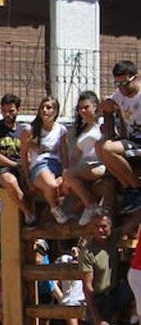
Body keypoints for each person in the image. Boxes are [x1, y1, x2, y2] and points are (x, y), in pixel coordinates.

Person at [95, 60, 141, 214]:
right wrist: (107, 112)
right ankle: (129, 188)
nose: (121, 88)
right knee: (101, 146)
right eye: (117, 84)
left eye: (125, 84)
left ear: (136, 77)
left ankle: (136, 189)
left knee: (108, 148)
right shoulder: (119, 94)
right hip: (132, 142)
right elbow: (108, 108)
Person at [0, 93, 33, 223]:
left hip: (23, 168)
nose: (7, 114)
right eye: (4, 111)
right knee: (10, 181)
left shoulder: (24, 130)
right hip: (3, 169)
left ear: (18, 110)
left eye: (11, 111)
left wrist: (26, 170)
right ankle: (28, 213)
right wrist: (15, 165)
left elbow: (28, 152)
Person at [22, 96, 70, 224]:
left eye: (48, 108)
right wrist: (27, 178)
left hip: (57, 166)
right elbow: (24, 155)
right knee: (52, 185)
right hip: (39, 166)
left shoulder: (61, 130)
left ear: (55, 111)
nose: (44, 110)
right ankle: (55, 208)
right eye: (42, 107)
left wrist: (65, 174)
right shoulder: (30, 130)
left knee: (61, 187)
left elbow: (64, 154)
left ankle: (50, 213)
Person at [63, 90, 106, 227]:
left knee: (69, 174)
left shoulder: (103, 123)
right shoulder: (83, 129)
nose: (83, 111)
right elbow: (75, 155)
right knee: (67, 175)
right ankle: (89, 205)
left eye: (86, 107)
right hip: (86, 167)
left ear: (95, 106)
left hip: (102, 165)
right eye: (80, 108)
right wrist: (66, 178)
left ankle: (90, 206)